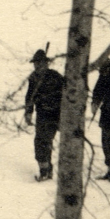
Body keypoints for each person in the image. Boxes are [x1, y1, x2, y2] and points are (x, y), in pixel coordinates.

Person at [24, 49, 64, 181]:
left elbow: (66, 94)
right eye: (35, 63)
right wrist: (29, 112)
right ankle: (45, 170)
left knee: (46, 141)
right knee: (41, 142)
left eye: (39, 63)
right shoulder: (33, 78)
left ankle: (48, 171)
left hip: (56, 114)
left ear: (46, 63)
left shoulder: (55, 76)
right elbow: (30, 96)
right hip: (42, 114)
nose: (37, 66)